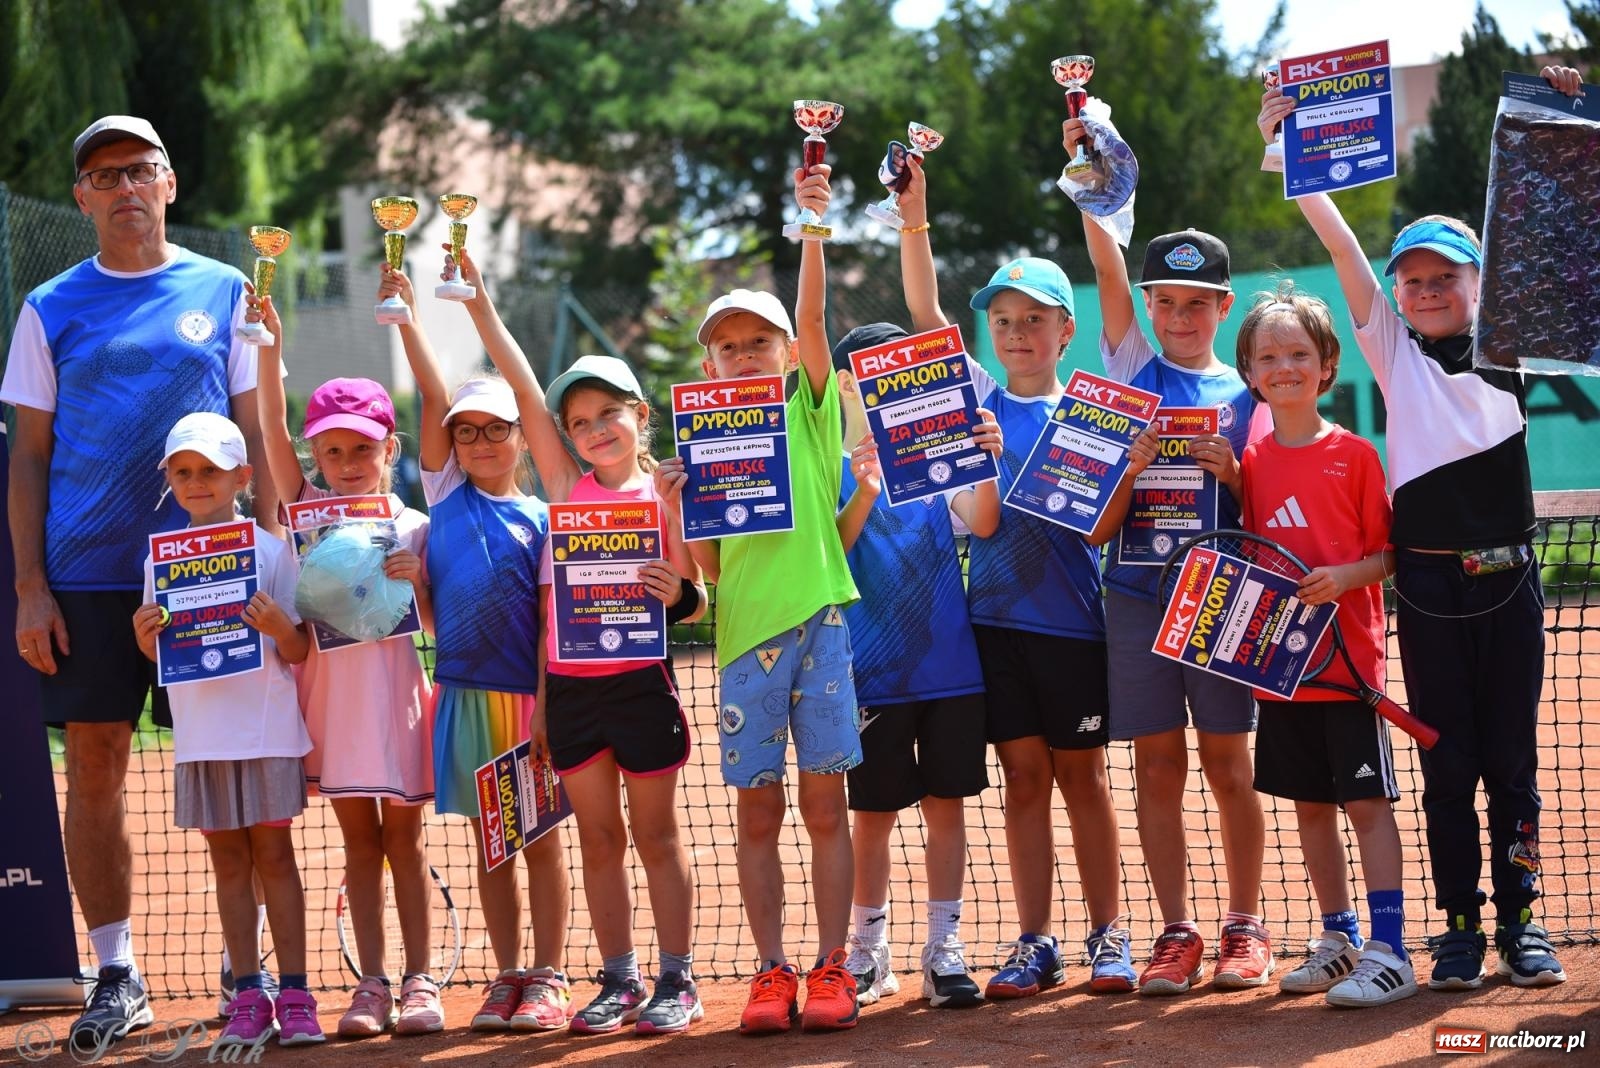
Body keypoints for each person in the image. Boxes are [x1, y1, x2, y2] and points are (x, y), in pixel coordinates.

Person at [1253, 65, 1584, 991]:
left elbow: (1555, 228)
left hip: (1510, 585)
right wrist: (1288, 146)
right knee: (1448, 768)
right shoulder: (1392, 350)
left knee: (1512, 764)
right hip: (1429, 592)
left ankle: (1522, 922)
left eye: (1447, 277)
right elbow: (1338, 238)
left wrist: (1557, 121)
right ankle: (1460, 930)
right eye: (1414, 280)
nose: (1429, 290)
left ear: (1483, 284)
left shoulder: (1515, 339)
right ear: (1396, 293)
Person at [1, 115, 277, 1052]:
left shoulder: (228, 289)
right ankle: (116, 972)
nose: (124, 186)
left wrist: (274, 549)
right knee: (95, 767)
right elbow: (28, 455)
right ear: (83, 196)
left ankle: (248, 972)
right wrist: (31, 585)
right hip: (86, 575)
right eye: (104, 174)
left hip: (212, 570)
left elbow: (256, 428)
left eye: (139, 170)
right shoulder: (48, 306)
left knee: (229, 760)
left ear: (168, 183)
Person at [901, 155, 1151, 998]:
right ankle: (1035, 940)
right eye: (1003, 320)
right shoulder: (975, 399)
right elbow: (925, 314)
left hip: (1075, 628)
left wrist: (1126, 472)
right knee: (1024, 783)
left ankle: (1108, 935)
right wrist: (915, 216)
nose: (1015, 333)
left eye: (1034, 319)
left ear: (1064, 331)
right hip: (995, 630)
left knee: (1084, 780)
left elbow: (1103, 529)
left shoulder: (1091, 408)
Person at [443, 245, 708, 1035]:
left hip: (642, 686)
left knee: (656, 834)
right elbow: (523, 385)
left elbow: (695, 594)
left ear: (640, 417)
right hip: (571, 692)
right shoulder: (563, 489)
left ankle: (677, 978)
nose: (595, 430)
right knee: (598, 837)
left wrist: (680, 591)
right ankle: (619, 979)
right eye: (579, 422)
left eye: (609, 415)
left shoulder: (665, 491)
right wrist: (479, 303)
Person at [653, 163, 862, 1035]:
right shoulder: (703, 439)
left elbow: (814, 317)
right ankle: (772, 970)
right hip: (744, 641)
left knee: (826, 808)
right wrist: (674, 506)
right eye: (729, 346)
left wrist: (811, 226)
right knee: (757, 812)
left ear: (787, 354)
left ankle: (834, 966)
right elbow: (711, 566)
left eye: (760, 342)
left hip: (821, 626)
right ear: (708, 363)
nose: (745, 355)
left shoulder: (810, 413)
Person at [1066, 115, 1271, 995]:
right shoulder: (1129, 365)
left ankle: (1244, 926)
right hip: (1138, 596)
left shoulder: (1252, 390)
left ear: (1224, 308)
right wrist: (1090, 169)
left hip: (1222, 598)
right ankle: (1177, 930)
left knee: (1230, 766)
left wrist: (1238, 474)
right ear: (1147, 307)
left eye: (1196, 303)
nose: (1179, 317)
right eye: (1165, 302)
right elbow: (1106, 263)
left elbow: (1272, 513)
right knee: (1156, 766)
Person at [374, 267, 576, 1029]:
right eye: (467, 431)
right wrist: (407, 317)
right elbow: (431, 395)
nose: (481, 441)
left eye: (497, 428)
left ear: (522, 436)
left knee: (541, 842)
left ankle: (548, 976)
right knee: (495, 845)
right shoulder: (444, 497)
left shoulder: (544, 518)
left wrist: (547, 710)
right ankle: (507, 975)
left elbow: (553, 629)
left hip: (529, 704)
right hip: (462, 698)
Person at [248, 297, 439, 1035]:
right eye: (332, 452)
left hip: (399, 707)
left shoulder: (416, 526)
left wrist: (418, 583)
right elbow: (270, 426)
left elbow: (436, 625)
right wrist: (270, 345)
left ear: (390, 449)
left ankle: (420, 981)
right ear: (315, 460)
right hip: (330, 710)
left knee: (406, 845)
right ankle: (373, 985)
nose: (349, 464)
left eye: (363, 449)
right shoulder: (303, 518)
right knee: (360, 846)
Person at [1233, 287, 1414, 1007]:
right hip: (1279, 670)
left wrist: (1344, 577)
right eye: (1269, 357)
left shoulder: (1356, 455)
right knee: (1310, 808)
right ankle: (1338, 941)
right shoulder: (1250, 462)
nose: (1285, 367)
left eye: (1298, 354)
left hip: (1348, 670)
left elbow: (1390, 555)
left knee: (1366, 806)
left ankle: (1390, 949)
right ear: (1250, 373)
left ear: (1327, 364)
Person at [131, 413, 320, 1046]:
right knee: (229, 865)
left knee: (275, 858)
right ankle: (248, 994)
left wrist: (279, 628)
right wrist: (145, 640)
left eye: (210, 470)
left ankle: (296, 993)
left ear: (242, 476)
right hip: (202, 739)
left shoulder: (272, 551)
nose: (196, 482)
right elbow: (164, 655)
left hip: (265, 734)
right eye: (183, 471)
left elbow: (298, 650)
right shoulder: (160, 561)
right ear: (169, 480)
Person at [831, 320, 1000, 1009]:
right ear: (848, 384)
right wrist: (865, 489)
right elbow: (829, 555)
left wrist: (983, 459)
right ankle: (869, 952)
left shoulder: (938, 456)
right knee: (872, 815)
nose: (894, 385)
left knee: (946, 807)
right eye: (876, 372)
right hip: (871, 675)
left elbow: (983, 522)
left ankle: (943, 950)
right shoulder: (826, 464)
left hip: (950, 669)